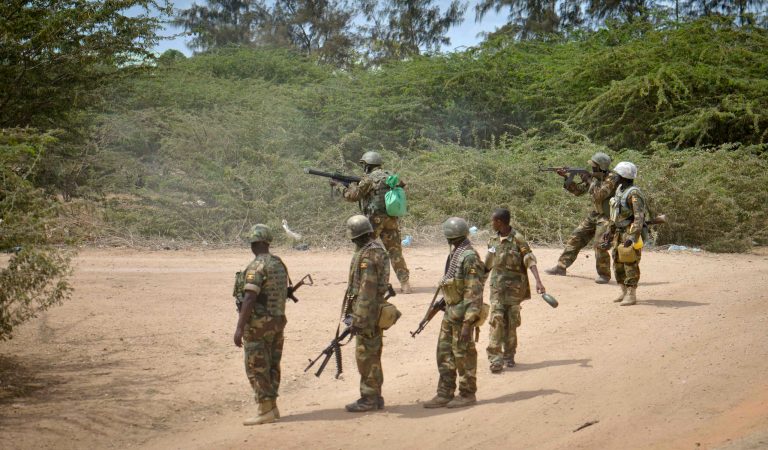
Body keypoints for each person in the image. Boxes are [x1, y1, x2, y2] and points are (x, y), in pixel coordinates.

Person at [423, 217, 485, 409]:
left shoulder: (469, 257)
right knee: (444, 354)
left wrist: (468, 323)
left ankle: (467, 394)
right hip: (451, 313)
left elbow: (474, 292)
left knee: (464, 355)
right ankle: (445, 392)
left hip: (463, 316)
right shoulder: (456, 254)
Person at [331, 151, 412, 294]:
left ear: (368, 165)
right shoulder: (390, 176)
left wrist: (339, 186)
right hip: (391, 219)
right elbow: (404, 186)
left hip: (374, 221)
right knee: (395, 252)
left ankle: (356, 284)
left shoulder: (369, 179)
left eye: (364, 165)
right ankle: (405, 284)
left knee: (362, 250)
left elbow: (352, 196)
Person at [233, 224, 289, 426]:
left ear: (253, 244)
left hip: (258, 324)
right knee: (272, 363)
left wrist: (240, 328)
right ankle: (272, 407)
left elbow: (249, 298)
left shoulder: (256, 267)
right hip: (277, 321)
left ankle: (265, 409)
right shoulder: (278, 264)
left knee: (256, 365)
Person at [484, 208, 546, 373]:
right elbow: (488, 265)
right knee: (496, 321)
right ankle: (495, 359)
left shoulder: (518, 239)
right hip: (497, 290)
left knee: (511, 325)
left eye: (493, 220)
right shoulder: (492, 240)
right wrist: (477, 284)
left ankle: (509, 355)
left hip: (514, 291)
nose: (491, 223)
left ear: (499, 222)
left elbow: (529, 260)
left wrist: (538, 281)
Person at [545, 152, 620, 283]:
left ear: (601, 167)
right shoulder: (595, 177)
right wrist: (567, 178)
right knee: (577, 236)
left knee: (600, 244)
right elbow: (578, 192)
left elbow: (599, 196)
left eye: (594, 166)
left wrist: (588, 180)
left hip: (607, 217)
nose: (592, 168)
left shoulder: (612, 178)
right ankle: (561, 266)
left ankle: (604, 275)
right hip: (595, 214)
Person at [342, 215, 391, 412]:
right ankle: (374, 396)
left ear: (356, 236)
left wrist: (358, 318)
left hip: (368, 313)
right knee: (372, 354)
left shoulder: (368, 255)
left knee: (366, 355)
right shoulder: (375, 250)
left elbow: (367, 290)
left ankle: (370, 398)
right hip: (373, 310)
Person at [607, 162, 647, 306]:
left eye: (616, 174)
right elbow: (615, 213)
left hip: (629, 231)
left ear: (623, 176)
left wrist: (632, 237)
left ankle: (631, 293)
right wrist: (609, 231)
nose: (614, 177)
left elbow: (639, 217)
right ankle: (623, 290)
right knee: (617, 261)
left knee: (630, 261)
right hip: (618, 231)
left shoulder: (634, 193)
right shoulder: (619, 190)